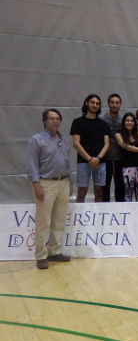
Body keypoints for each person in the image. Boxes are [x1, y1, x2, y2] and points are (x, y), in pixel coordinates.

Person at [27, 109, 72, 269]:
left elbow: (67, 163)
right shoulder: (36, 140)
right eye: (51, 118)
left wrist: (70, 181)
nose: (55, 121)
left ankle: (55, 251)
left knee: (59, 220)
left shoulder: (64, 140)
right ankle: (41, 255)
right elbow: (32, 164)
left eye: (57, 118)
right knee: (43, 221)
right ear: (44, 121)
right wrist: (36, 184)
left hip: (63, 183)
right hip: (45, 184)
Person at [70, 94, 110, 202]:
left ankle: (98, 216)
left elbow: (107, 144)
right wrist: (89, 159)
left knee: (99, 192)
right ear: (86, 103)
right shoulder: (77, 122)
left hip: (100, 162)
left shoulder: (103, 124)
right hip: (83, 161)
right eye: (92, 102)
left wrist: (98, 158)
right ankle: (79, 216)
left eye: (97, 104)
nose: (95, 105)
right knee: (82, 191)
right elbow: (76, 143)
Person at [115, 113, 138, 202]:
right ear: (123, 122)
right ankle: (129, 214)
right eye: (127, 121)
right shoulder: (118, 135)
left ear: (135, 123)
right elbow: (126, 147)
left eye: (131, 121)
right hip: (127, 167)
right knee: (128, 193)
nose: (129, 123)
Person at [102, 93, 124, 202]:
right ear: (108, 104)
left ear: (120, 104)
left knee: (120, 186)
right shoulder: (102, 120)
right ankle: (106, 211)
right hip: (105, 158)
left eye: (117, 103)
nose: (115, 105)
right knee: (105, 186)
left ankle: (120, 212)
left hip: (121, 158)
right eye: (112, 102)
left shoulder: (124, 120)